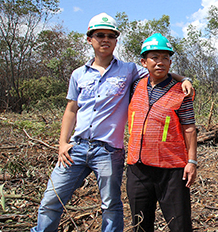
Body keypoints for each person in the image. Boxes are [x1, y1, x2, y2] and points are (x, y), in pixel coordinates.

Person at [32, 13, 194, 232]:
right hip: (77, 147)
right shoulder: (78, 74)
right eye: (100, 35)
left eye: (110, 35)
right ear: (90, 39)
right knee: (52, 199)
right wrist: (62, 143)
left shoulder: (128, 71)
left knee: (111, 205)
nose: (105, 39)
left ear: (116, 40)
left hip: (108, 151)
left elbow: (158, 69)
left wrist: (184, 79)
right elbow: (71, 109)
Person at [126, 33, 197, 232]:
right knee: (140, 225)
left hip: (172, 170)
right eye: (155, 57)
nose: (160, 62)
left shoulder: (181, 91)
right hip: (137, 168)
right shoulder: (134, 85)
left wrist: (192, 162)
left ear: (170, 62)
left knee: (180, 225)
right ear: (143, 61)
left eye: (165, 58)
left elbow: (189, 127)